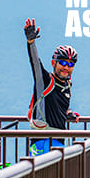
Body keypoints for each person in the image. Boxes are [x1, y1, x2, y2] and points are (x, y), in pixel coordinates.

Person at [25, 18, 80, 156]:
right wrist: (31, 43)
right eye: (62, 62)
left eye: (71, 64)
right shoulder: (45, 81)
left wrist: (67, 113)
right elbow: (35, 64)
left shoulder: (67, 85)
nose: (66, 67)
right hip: (41, 142)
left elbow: (57, 105)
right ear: (53, 63)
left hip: (58, 142)